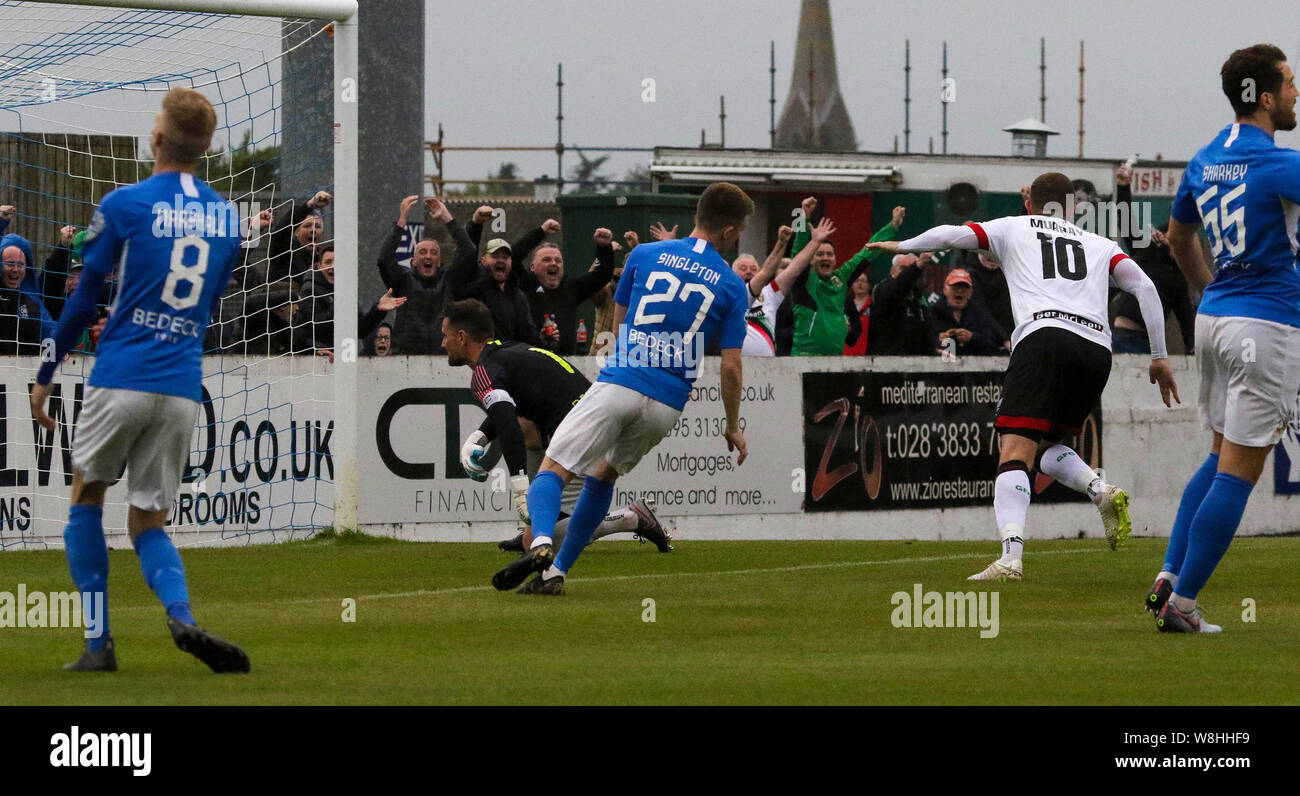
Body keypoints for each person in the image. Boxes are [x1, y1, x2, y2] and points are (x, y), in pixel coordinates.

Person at [29, 86, 249, 673]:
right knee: (150, 520)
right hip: (180, 386)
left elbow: (82, 302)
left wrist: (46, 373)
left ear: (157, 137)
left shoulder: (126, 204)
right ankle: (180, 613)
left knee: (86, 498)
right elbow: (214, 296)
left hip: (121, 374)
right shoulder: (227, 215)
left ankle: (99, 644)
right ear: (204, 147)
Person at [868, 170, 1178, 581]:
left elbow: (951, 234)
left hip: (1043, 337)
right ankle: (1100, 490)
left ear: (1029, 202)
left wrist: (902, 244)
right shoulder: (1101, 244)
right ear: (1073, 209)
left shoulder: (1014, 227)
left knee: (1014, 450)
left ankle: (1010, 558)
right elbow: (1147, 289)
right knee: (1047, 448)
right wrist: (1158, 357)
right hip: (1096, 350)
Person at [492, 181, 753, 595]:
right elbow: (733, 366)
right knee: (603, 477)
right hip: (667, 405)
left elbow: (618, 319)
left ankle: (540, 542)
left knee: (553, 468)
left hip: (622, 382)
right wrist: (733, 426)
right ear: (727, 231)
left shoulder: (644, 255)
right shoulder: (733, 285)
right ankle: (557, 571)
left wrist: (620, 365)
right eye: (737, 231)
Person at [1146, 44, 1300, 634]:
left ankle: (1168, 575)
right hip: (1267, 323)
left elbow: (1178, 239)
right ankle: (1182, 605)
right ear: (1263, 96)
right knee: (1240, 470)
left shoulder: (1206, 158)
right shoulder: (1278, 163)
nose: (1294, 93)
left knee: (1216, 458)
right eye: (1288, 83)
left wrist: (1211, 292)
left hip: (1214, 322)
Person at [441, 298, 672, 557]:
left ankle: (631, 518)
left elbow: (508, 426)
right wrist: (479, 438)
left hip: (585, 434)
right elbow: (506, 412)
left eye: (445, 336)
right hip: (595, 423)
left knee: (539, 543)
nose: (442, 343)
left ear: (461, 337)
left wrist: (519, 491)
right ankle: (539, 524)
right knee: (543, 516)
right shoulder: (508, 352)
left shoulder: (485, 372)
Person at [788, 197, 903, 355]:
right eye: (820, 254)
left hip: (835, 359)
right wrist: (803, 217)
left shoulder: (840, 279)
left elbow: (867, 252)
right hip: (804, 358)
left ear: (835, 259)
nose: (825, 258)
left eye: (830, 254)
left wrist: (892, 227)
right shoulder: (805, 281)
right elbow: (797, 254)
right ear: (811, 258)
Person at [1111, 166, 1198, 355]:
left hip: (1148, 341)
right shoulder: (1148, 253)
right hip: (1126, 333)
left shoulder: (1177, 278)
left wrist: (1191, 344)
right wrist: (1123, 187)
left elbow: (1185, 316)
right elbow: (1126, 225)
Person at [444, 202, 539, 345]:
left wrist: (542, 338)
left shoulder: (518, 295)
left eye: (505, 257)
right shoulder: (475, 287)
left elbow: (526, 335)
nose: (501, 260)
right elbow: (467, 254)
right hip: (479, 360)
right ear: (483, 260)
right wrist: (476, 223)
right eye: (495, 256)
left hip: (508, 360)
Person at [515, 229, 616, 355]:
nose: (553, 263)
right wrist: (540, 232)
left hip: (566, 364)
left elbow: (603, 274)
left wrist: (604, 247)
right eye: (546, 260)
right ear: (533, 267)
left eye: (558, 260)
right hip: (530, 361)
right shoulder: (525, 285)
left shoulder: (570, 287)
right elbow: (513, 258)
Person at [377, 195, 447, 354]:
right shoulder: (403, 280)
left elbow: (468, 254)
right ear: (413, 261)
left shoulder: (447, 281)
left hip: (442, 360)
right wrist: (401, 221)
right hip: (406, 359)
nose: (428, 256)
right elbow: (384, 260)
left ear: (439, 261)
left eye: (433, 253)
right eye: (422, 252)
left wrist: (446, 217)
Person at [865, 252, 935, 356]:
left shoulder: (920, 297)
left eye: (912, 268)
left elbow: (926, 334)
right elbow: (897, 288)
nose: (908, 273)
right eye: (903, 269)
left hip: (915, 365)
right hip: (885, 364)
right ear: (892, 272)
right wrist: (917, 265)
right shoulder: (881, 288)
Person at [925, 268, 1005, 356]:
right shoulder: (934, 312)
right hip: (942, 365)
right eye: (955, 287)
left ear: (970, 292)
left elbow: (992, 342)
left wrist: (972, 337)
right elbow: (925, 343)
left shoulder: (978, 313)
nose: (959, 291)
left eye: (964, 288)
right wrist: (938, 341)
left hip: (975, 365)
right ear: (945, 289)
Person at [265, 190, 330, 285]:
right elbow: (280, 233)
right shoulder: (285, 252)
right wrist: (309, 205)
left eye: (318, 226)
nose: (313, 230)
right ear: (296, 232)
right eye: (307, 225)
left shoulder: (324, 258)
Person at [0, 239, 43, 355]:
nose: (15, 269)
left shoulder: (31, 303)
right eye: (10, 263)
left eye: (20, 265)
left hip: (24, 370)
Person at [842, 269, 871, 355]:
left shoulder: (874, 304)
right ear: (851, 286)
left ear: (869, 285)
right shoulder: (845, 305)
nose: (860, 284)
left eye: (863, 281)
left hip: (867, 352)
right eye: (856, 281)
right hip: (847, 352)